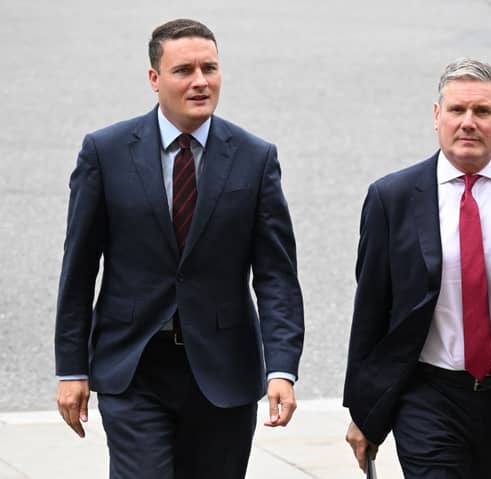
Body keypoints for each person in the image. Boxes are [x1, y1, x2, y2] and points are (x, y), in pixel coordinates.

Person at [55, 18, 304, 479]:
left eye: (209, 68)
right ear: (154, 79)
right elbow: (79, 267)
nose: (200, 81)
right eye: (183, 70)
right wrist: (71, 369)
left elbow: (276, 277)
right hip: (134, 368)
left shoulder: (255, 157)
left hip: (223, 373)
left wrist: (282, 369)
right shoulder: (105, 152)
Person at [343, 58, 491, 478]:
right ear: (437, 116)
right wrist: (364, 410)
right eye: (457, 110)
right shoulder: (391, 198)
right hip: (427, 396)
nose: (468, 122)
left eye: (482, 112)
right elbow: (371, 311)